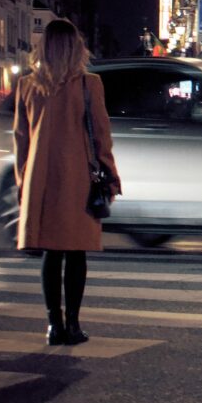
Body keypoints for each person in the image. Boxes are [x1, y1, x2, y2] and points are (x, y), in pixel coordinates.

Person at [14, 19, 121, 346]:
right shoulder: (90, 84)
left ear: (43, 47)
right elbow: (102, 135)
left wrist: (23, 185)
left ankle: (53, 325)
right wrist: (111, 176)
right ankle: (73, 325)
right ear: (76, 47)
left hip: (41, 180)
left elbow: (21, 141)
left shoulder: (27, 85)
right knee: (76, 254)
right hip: (77, 178)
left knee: (51, 253)